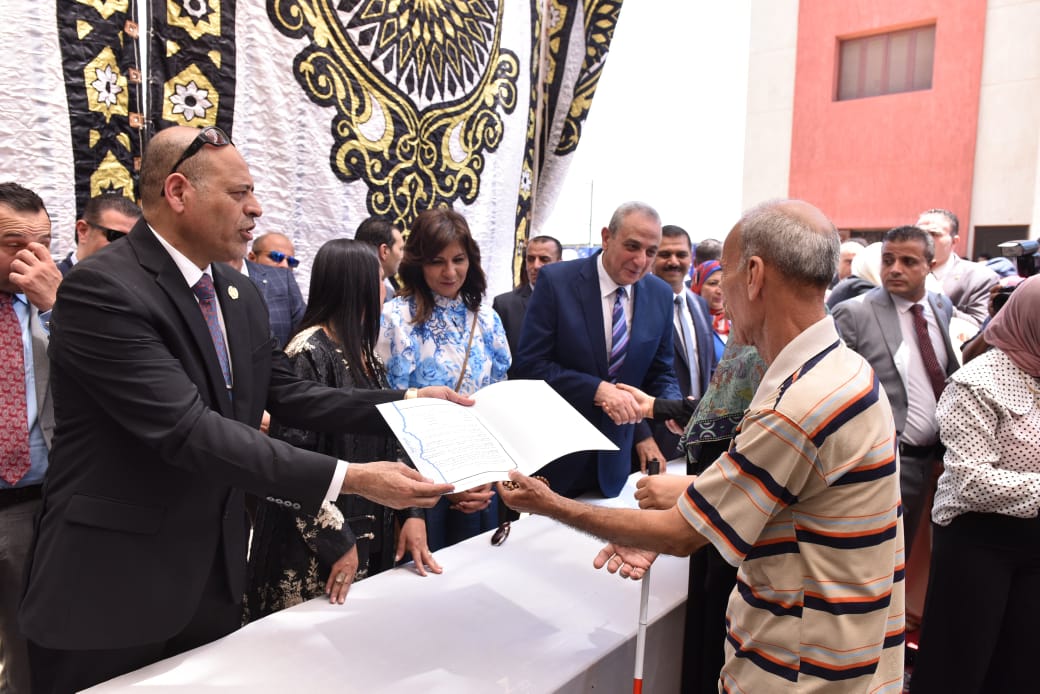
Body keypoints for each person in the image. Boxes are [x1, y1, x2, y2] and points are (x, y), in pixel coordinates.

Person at [18, 125, 464, 694]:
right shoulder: (103, 289)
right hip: (112, 587)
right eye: (239, 193)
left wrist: (409, 402)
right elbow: (188, 431)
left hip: (212, 579)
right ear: (178, 192)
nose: (255, 208)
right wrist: (352, 478)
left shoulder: (236, 291)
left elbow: (289, 392)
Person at [500, 199, 905, 692]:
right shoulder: (843, 370)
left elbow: (679, 534)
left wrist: (550, 505)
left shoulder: (795, 405)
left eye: (724, 273)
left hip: (798, 671)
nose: (717, 292)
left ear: (753, 275)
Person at [246, 239, 438, 620]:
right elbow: (293, 462)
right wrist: (336, 540)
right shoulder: (307, 351)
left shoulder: (363, 352)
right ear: (356, 285)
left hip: (371, 529)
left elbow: (393, 435)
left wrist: (412, 513)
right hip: (314, 551)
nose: (384, 291)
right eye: (378, 281)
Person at [910, 275, 1040, 693]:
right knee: (958, 666)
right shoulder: (978, 381)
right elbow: (971, 481)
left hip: (1033, 541)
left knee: (1021, 667)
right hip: (977, 543)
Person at [513, 201, 681, 496]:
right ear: (606, 237)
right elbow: (529, 367)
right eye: (632, 246)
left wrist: (674, 407)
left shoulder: (660, 295)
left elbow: (660, 371)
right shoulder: (557, 282)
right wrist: (597, 390)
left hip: (615, 462)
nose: (640, 260)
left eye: (651, 252)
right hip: (556, 457)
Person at [378, 207, 510, 550]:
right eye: (437, 261)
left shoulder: (487, 319)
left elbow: (498, 403)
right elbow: (390, 414)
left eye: (458, 259)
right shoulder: (395, 318)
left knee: (484, 568)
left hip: (482, 477)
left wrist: (492, 474)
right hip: (420, 479)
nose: (450, 272)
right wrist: (426, 496)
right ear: (419, 263)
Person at [832, 226, 960, 558]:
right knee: (871, 558)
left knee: (906, 559)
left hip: (932, 460)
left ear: (930, 265)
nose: (895, 269)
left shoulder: (941, 307)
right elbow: (836, 390)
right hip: (880, 462)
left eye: (908, 261)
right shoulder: (855, 312)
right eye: (888, 260)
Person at [0, 182, 61, 694]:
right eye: (14, 245)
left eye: (42, 242)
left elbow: (104, 371)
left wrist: (57, 307)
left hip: (33, 503)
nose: (32, 256)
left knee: (29, 648)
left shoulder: (64, 302)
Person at [641, 224, 717, 459]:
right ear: (652, 257)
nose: (673, 262)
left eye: (681, 254)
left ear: (691, 258)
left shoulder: (700, 304)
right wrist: (642, 437)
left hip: (699, 435)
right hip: (656, 439)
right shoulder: (638, 306)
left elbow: (708, 368)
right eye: (665, 254)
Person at [492, 234, 562, 378]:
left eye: (544, 259)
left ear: (559, 263)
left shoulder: (574, 303)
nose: (535, 266)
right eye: (530, 259)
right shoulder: (505, 305)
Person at [915, 208, 998, 327]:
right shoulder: (896, 272)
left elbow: (980, 326)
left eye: (933, 234)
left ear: (954, 241)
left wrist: (935, 300)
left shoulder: (980, 277)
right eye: (918, 234)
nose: (923, 240)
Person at [226, 253, 306, 349]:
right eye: (276, 257)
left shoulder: (283, 279)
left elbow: (303, 331)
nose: (284, 265)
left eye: (292, 262)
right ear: (252, 257)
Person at [57, 193, 141, 275]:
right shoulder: (55, 281)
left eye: (133, 241)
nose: (125, 247)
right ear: (83, 231)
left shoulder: (137, 281)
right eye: (116, 236)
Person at [354, 216, 405, 301]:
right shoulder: (357, 296)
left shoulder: (388, 293)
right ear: (384, 251)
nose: (403, 256)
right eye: (400, 249)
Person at [690, 258, 727, 361]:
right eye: (713, 283)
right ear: (698, 286)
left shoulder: (736, 321)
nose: (720, 291)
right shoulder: (689, 321)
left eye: (724, 283)